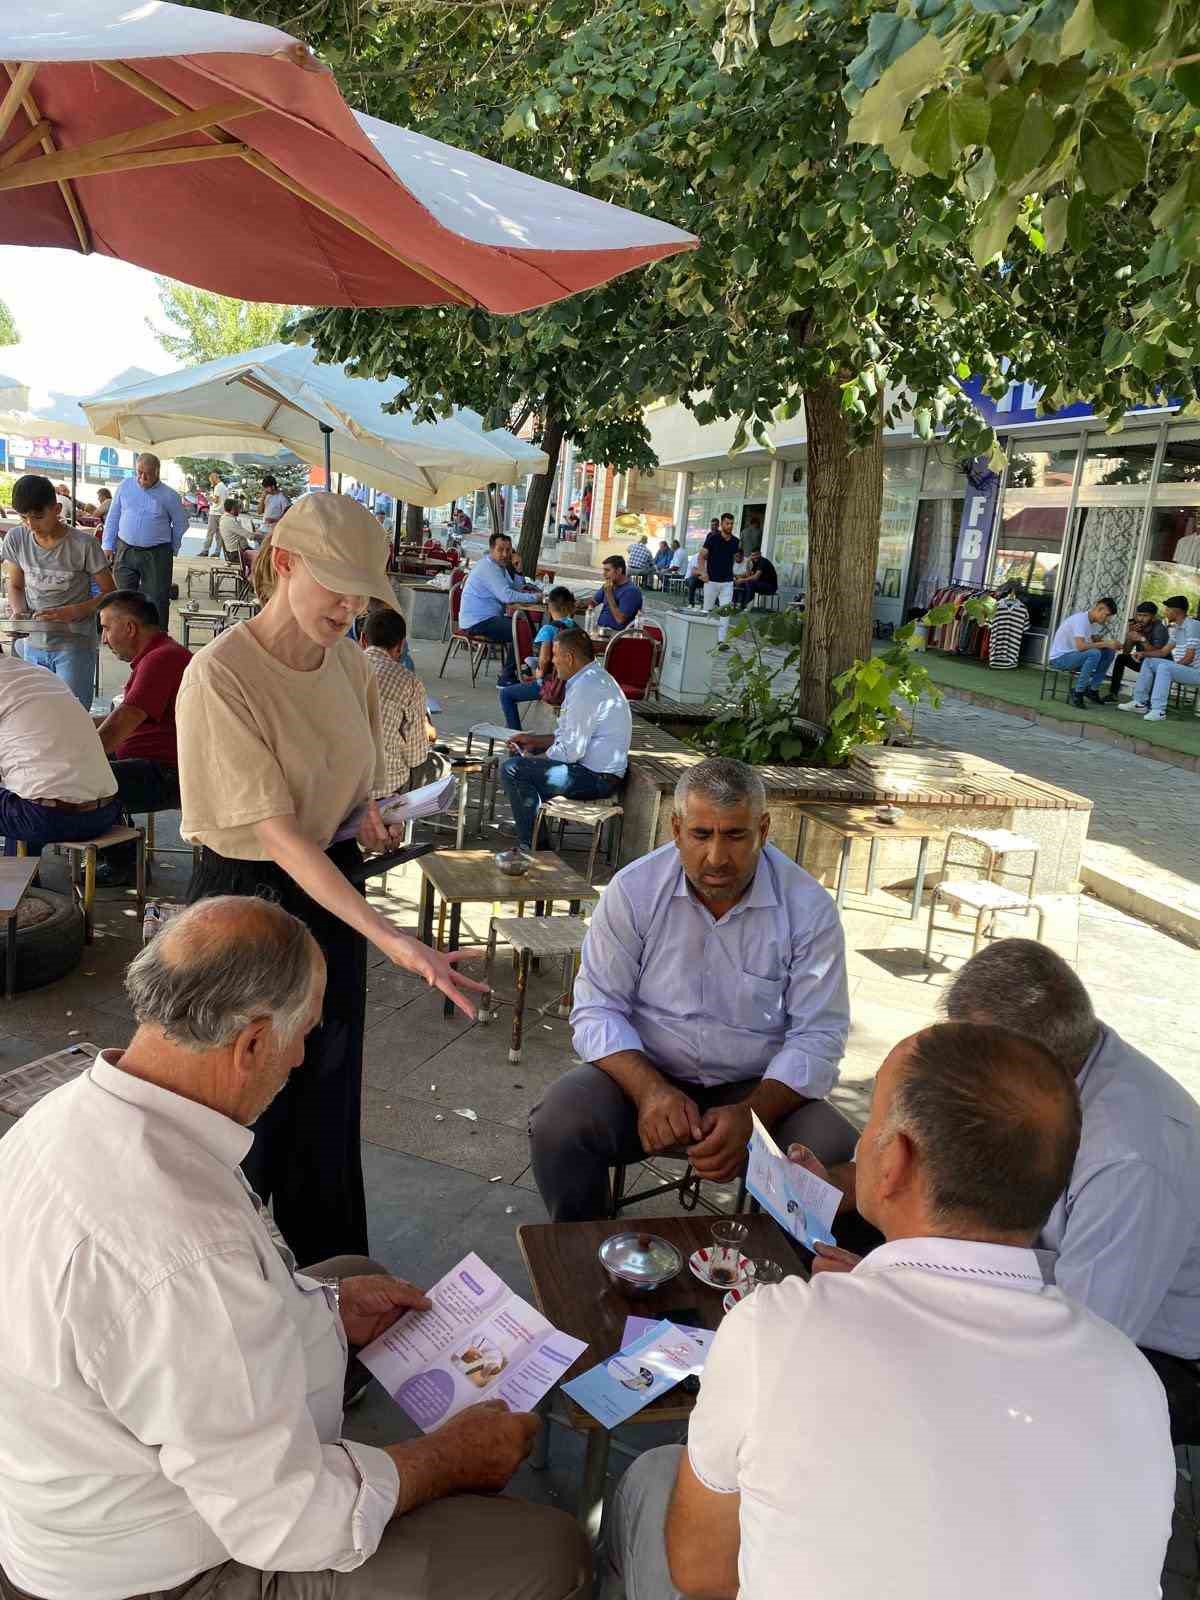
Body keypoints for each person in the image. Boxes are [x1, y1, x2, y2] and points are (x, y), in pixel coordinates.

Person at [0, 896, 590, 1600]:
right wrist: (443, 1460)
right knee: (550, 1554)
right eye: (302, 1034)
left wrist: (326, 1307)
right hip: (155, 1566)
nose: (303, 1056)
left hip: (74, 1475)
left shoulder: (65, 1113)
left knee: (351, 1276)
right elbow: (283, 1522)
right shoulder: (188, 1253)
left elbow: (163, 1318)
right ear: (251, 1043)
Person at [607, 1022, 1175, 1600]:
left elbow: (703, 1576)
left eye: (872, 1123)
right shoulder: (1132, 1377)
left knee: (651, 1479)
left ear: (895, 1160)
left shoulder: (775, 1328)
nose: (861, 1142)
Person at [176, 495, 486, 1265]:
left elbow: (345, 795)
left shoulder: (351, 661)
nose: (349, 607)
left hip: (331, 883)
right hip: (245, 907)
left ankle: (338, 1294)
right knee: (240, 1115)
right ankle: (235, 1299)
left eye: (362, 593)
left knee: (326, 1100)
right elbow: (277, 836)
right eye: (335, 586)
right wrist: (397, 940)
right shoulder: (221, 676)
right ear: (284, 563)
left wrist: (370, 814)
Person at [796, 936, 1200, 1443]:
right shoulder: (1042, 1073)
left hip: (1144, 1353)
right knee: (835, 1228)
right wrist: (836, 1186)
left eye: (970, 1055)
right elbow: (917, 1167)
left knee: (919, 1401)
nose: (956, 1070)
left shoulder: (1131, 1159)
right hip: (1017, 1272)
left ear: (1024, 1069)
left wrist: (906, 1298)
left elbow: (1080, 1336)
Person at [530, 758, 851, 1221]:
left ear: (764, 828)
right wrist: (649, 1091)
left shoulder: (809, 909)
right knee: (559, 1123)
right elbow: (597, 1008)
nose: (717, 857)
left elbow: (819, 1036)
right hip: (646, 1071)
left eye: (736, 835)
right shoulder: (634, 891)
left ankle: (783, 1284)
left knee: (834, 1157)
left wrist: (752, 1114)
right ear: (676, 828)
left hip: (761, 1086)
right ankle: (585, 1255)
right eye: (701, 835)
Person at [497, 629, 630, 857]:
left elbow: (571, 751)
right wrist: (533, 741)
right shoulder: (587, 679)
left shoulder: (587, 688)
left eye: (555, 655)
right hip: (587, 769)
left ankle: (534, 845)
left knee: (514, 770)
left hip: (596, 778)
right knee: (519, 757)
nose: (552, 661)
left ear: (569, 658)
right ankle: (530, 829)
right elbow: (567, 736)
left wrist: (537, 757)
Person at [93, 589, 193, 884]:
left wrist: (74, 758)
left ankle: (122, 862)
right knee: (84, 771)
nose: (103, 638)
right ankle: (118, 848)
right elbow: (121, 717)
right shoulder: (158, 655)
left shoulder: (162, 660)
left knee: (85, 783)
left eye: (106, 628)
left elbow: (122, 722)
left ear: (130, 627)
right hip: (151, 763)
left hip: (168, 774)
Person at [2, 472, 115, 707]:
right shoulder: (17, 538)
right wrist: (19, 613)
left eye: (38, 516)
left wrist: (75, 611)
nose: (31, 525)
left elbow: (111, 594)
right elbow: (14, 584)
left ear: (56, 509)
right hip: (32, 643)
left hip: (74, 644)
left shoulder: (83, 545)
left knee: (73, 714)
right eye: (24, 518)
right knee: (37, 713)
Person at [0, 652, 122, 856]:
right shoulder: (38, 674)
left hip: (50, 818)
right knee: (23, 790)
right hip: (105, 813)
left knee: (24, 796)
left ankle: (17, 881)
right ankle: (21, 877)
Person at [102, 452, 188, 635]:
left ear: (157, 471)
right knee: (123, 597)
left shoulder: (169, 495)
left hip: (156, 553)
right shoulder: (125, 486)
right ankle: (126, 635)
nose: (142, 478)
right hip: (125, 548)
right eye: (139, 472)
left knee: (157, 598)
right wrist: (107, 544)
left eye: (147, 473)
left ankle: (158, 637)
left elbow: (181, 523)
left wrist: (173, 546)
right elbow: (114, 516)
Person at [359, 608, 435, 794]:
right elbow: (415, 757)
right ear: (401, 646)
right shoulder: (409, 683)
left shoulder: (337, 668)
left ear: (362, 640)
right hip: (382, 789)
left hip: (333, 785)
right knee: (435, 767)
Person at [457, 530, 542, 685]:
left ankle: (520, 670)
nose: (505, 554)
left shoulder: (500, 567)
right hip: (477, 621)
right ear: (491, 550)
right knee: (520, 629)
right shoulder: (488, 567)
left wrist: (518, 570)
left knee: (524, 628)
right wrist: (536, 597)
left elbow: (516, 588)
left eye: (508, 550)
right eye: (500, 550)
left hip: (490, 618)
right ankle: (508, 676)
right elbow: (507, 596)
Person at [498, 584, 576, 730]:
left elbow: (545, 659)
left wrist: (538, 674)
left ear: (549, 607)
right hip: (573, 685)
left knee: (506, 694)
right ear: (571, 607)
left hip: (553, 685)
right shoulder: (576, 627)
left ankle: (516, 740)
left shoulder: (548, 629)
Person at [1119, 594, 1200, 721]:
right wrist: (1143, 654)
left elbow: (1189, 657)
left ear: (1176, 611)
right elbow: (1162, 652)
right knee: (1149, 661)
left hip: (1196, 672)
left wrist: (1173, 667)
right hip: (1184, 669)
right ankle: (1139, 703)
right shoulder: (1176, 628)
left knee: (1164, 667)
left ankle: (1159, 710)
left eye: (1167, 609)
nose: (1165, 612)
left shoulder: (1193, 625)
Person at [1046, 595, 1122, 708]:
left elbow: (1091, 642)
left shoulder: (1092, 623)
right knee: (1094, 653)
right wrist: (1106, 643)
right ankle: (1078, 692)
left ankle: (1092, 689)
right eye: (1107, 615)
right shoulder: (1081, 620)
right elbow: (1081, 646)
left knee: (1108, 652)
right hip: (1059, 659)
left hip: (1074, 657)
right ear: (1099, 608)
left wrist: (1110, 644)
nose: (1108, 620)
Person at [1101, 599, 1171, 703]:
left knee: (1149, 700)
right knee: (1121, 658)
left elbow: (1158, 653)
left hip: (1159, 664)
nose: (1141, 619)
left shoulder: (1159, 628)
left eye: (1145, 616)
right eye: (1139, 615)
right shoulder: (1136, 625)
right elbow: (1126, 651)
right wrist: (1130, 635)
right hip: (1142, 661)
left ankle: (1149, 699)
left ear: (1153, 617)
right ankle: (1113, 693)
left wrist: (1141, 639)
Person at [699, 512, 741, 612]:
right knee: (707, 611)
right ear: (721, 524)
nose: (730, 526)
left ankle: (723, 628)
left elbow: (736, 559)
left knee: (725, 614)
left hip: (727, 583)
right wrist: (703, 572)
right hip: (711, 581)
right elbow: (701, 556)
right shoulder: (712, 538)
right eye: (727, 523)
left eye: (732, 523)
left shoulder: (735, 541)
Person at [593, 554, 643, 631]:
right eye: (604, 570)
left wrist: (609, 595)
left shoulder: (631, 591)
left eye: (607, 570)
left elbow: (620, 619)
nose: (604, 574)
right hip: (601, 630)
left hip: (617, 636)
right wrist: (575, 602)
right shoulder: (609, 586)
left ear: (619, 571)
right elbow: (593, 602)